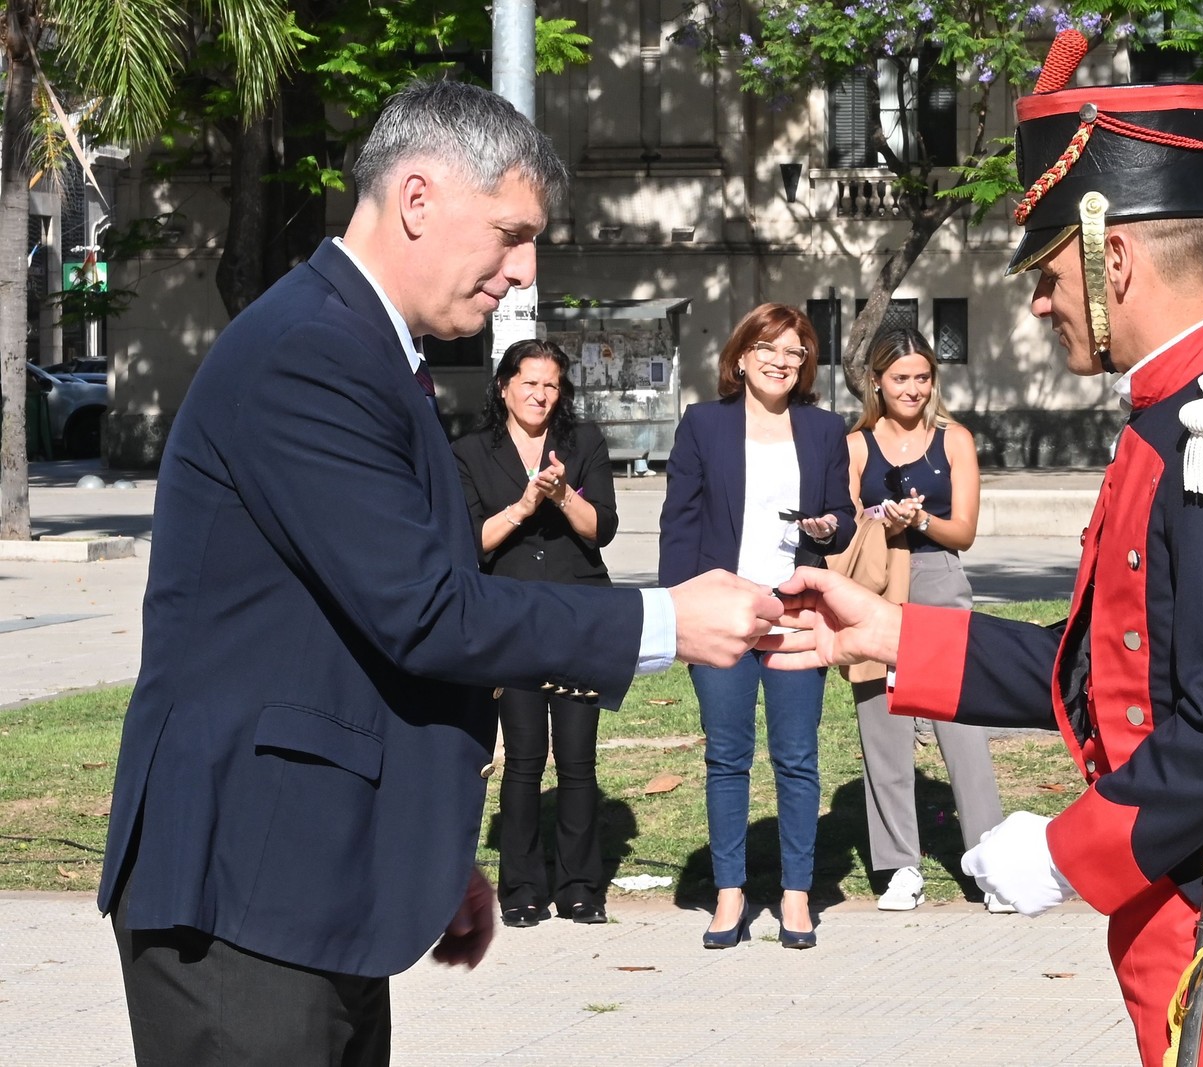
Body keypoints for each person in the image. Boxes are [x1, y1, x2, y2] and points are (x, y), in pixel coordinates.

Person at [97, 79, 781, 1066]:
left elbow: (355, 635)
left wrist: (421, 838)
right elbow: (422, 611)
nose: (522, 268)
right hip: (243, 890)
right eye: (508, 232)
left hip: (309, 876)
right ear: (417, 199)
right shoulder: (310, 352)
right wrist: (665, 620)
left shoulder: (368, 349)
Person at [760, 30, 1203, 1066]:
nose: (1038, 300)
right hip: (1185, 915)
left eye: (1047, 274)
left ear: (1112, 257)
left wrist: (1064, 846)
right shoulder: (1169, 424)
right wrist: (884, 627)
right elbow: (1104, 662)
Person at [658, 302, 855, 950]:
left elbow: (843, 518)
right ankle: (730, 893)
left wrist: (828, 527)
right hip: (722, 608)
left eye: (794, 352)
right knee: (726, 756)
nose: (780, 360)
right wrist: (677, 609)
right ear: (740, 356)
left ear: (806, 366)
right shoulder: (703, 425)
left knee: (797, 756)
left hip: (795, 610)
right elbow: (679, 522)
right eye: (768, 347)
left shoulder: (824, 430)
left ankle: (796, 894)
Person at [452, 339, 617, 928]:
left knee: (577, 760)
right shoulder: (471, 452)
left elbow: (603, 531)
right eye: (529, 383)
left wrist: (564, 493)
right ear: (504, 386)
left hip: (578, 616)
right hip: (511, 618)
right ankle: (520, 888)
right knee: (524, 758)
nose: (540, 395)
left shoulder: (583, 443)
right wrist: (524, 505)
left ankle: (580, 886)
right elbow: (470, 541)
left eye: (551, 385)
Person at [845, 326, 1006, 913]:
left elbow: (962, 530)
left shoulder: (954, 439)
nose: (912, 389)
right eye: (899, 379)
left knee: (961, 727)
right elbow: (845, 524)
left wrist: (919, 522)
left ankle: (989, 862)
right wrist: (879, 522)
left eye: (921, 378)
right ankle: (898, 866)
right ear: (876, 383)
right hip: (878, 581)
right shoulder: (857, 444)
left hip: (938, 575)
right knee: (882, 724)